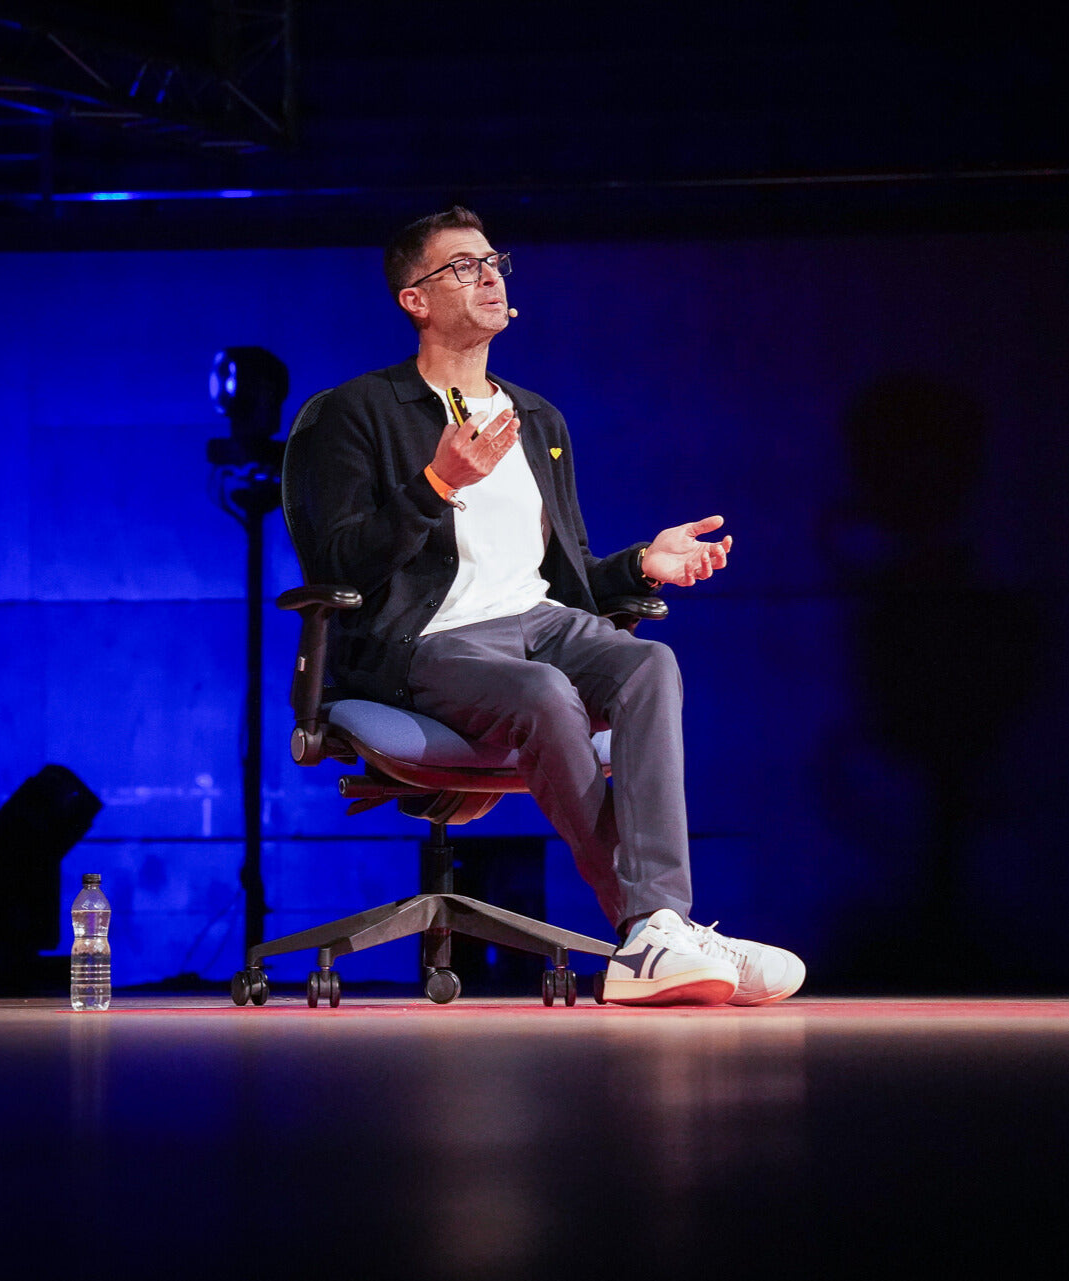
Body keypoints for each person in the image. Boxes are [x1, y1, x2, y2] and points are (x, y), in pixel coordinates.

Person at [305, 206, 805, 1006]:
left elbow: (558, 580)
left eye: (493, 260)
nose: (490, 274)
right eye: (462, 266)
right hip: (428, 642)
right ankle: (657, 930)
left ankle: (658, 930)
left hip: (540, 624)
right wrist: (435, 485)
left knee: (648, 663)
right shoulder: (356, 412)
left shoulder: (538, 419)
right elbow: (336, 565)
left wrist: (641, 561)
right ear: (415, 300)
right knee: (544, 693)